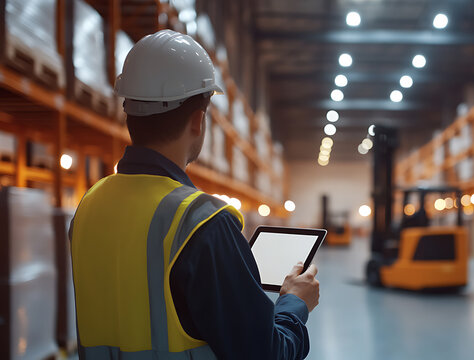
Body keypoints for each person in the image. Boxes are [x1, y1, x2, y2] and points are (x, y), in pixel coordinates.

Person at [70, 29, 320, 360]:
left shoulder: (89, 205)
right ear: (198, 122)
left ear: (128, 110)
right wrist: (294, 303)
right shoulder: (202, 222)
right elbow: (266, 353)